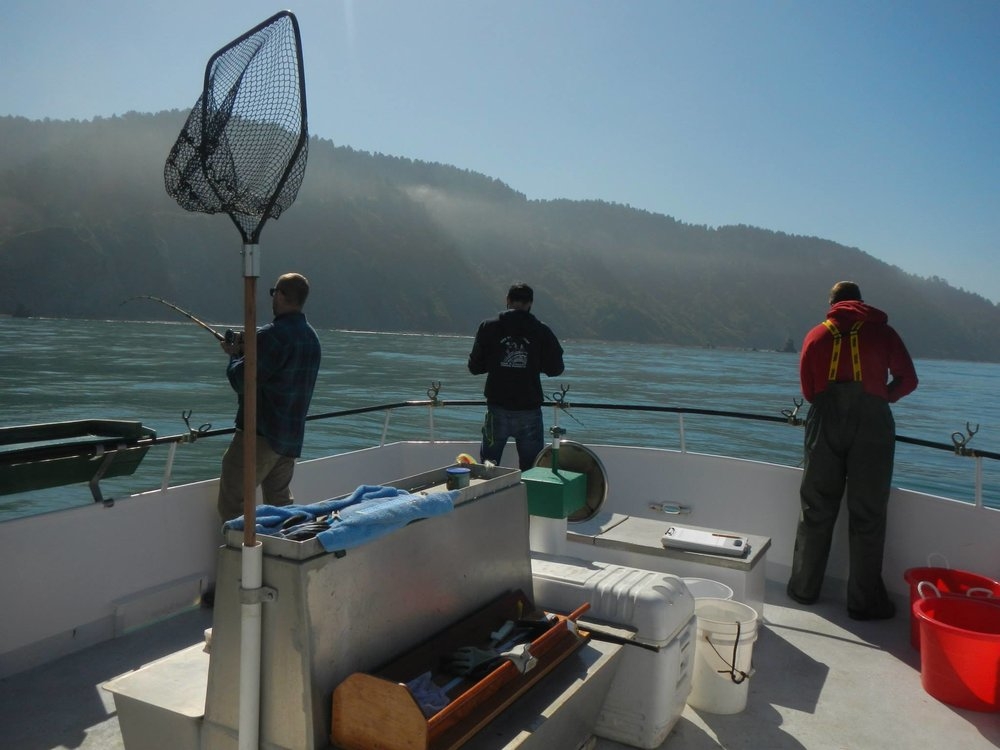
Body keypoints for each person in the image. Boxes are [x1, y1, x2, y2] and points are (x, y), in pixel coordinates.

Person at [787, 281, 918, 620]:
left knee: (815, 508)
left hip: (825, 423)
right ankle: (864, 603)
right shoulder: (882, 333)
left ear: (831, 304)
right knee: (867, 514)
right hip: (872, 428)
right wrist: (882, 397)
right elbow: (908, 379)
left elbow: (809, 390)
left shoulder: (816, 335)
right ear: (860, 302)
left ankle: (803, 590)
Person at [216, 272, 322, 522]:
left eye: (275, 293)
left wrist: (234, 356)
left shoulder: (271, 336)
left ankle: (243, 559)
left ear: (283, 295)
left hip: (261, 435)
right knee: (281, 505)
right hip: (290, 437)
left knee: (233, 504)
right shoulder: (311, 338)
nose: (273, 298)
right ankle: (283, 553)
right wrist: (249, 351)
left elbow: (240, 381)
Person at [468, 282, 564, 471]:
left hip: (497, 408)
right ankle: (526, 500)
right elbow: (556, 369)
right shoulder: (541, 331)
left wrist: (495, 362)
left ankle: (487, 498)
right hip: (529, 410)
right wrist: (535, 364)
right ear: (530, 303)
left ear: (508, 301)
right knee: (531, 470)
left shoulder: (488, 327)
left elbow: (475, 367)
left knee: (488, 467)